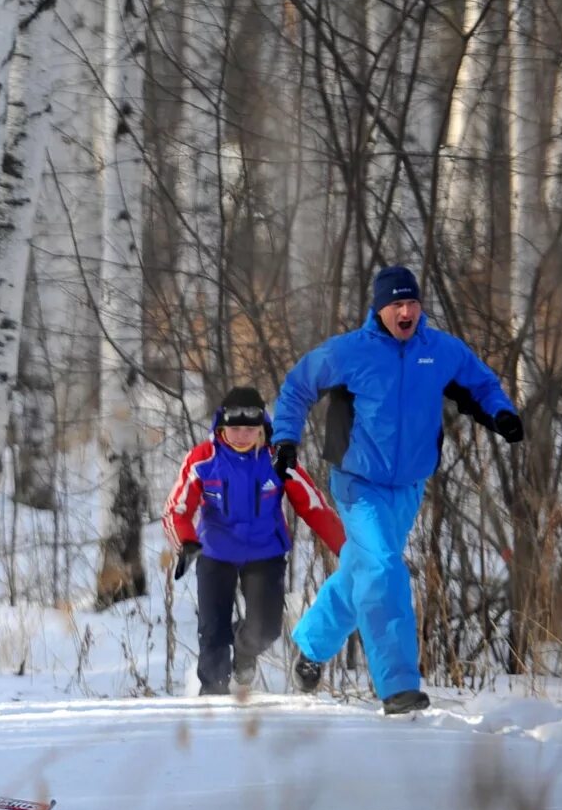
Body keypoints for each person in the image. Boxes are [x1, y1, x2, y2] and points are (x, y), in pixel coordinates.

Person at [271, 266, 523, 714]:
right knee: (384, 568)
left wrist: (500, 413)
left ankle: (310, 646)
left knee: (362, 570)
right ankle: (399, 686)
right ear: (380, 308)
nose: (405, 311)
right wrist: (285, 439)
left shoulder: (440, 350)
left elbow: (480, 382)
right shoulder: (350, 352)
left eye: (411, 303)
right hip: (357, 482)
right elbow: (297, 386)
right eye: (396, 304)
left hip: (407, 487)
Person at [163, 386, 345, 696]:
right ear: (222, 427)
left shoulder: (278, 457)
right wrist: (186, 541)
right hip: (215, 552)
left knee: (266, 629)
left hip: (264, 552)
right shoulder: (202, 459)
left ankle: (244, 654)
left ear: (262, 427)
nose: (242, 435)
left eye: (250, 429)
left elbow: (313, 506)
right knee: (213, 633)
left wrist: (350, 550)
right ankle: (213, 696)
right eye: (235, 428)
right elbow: (176, 509)